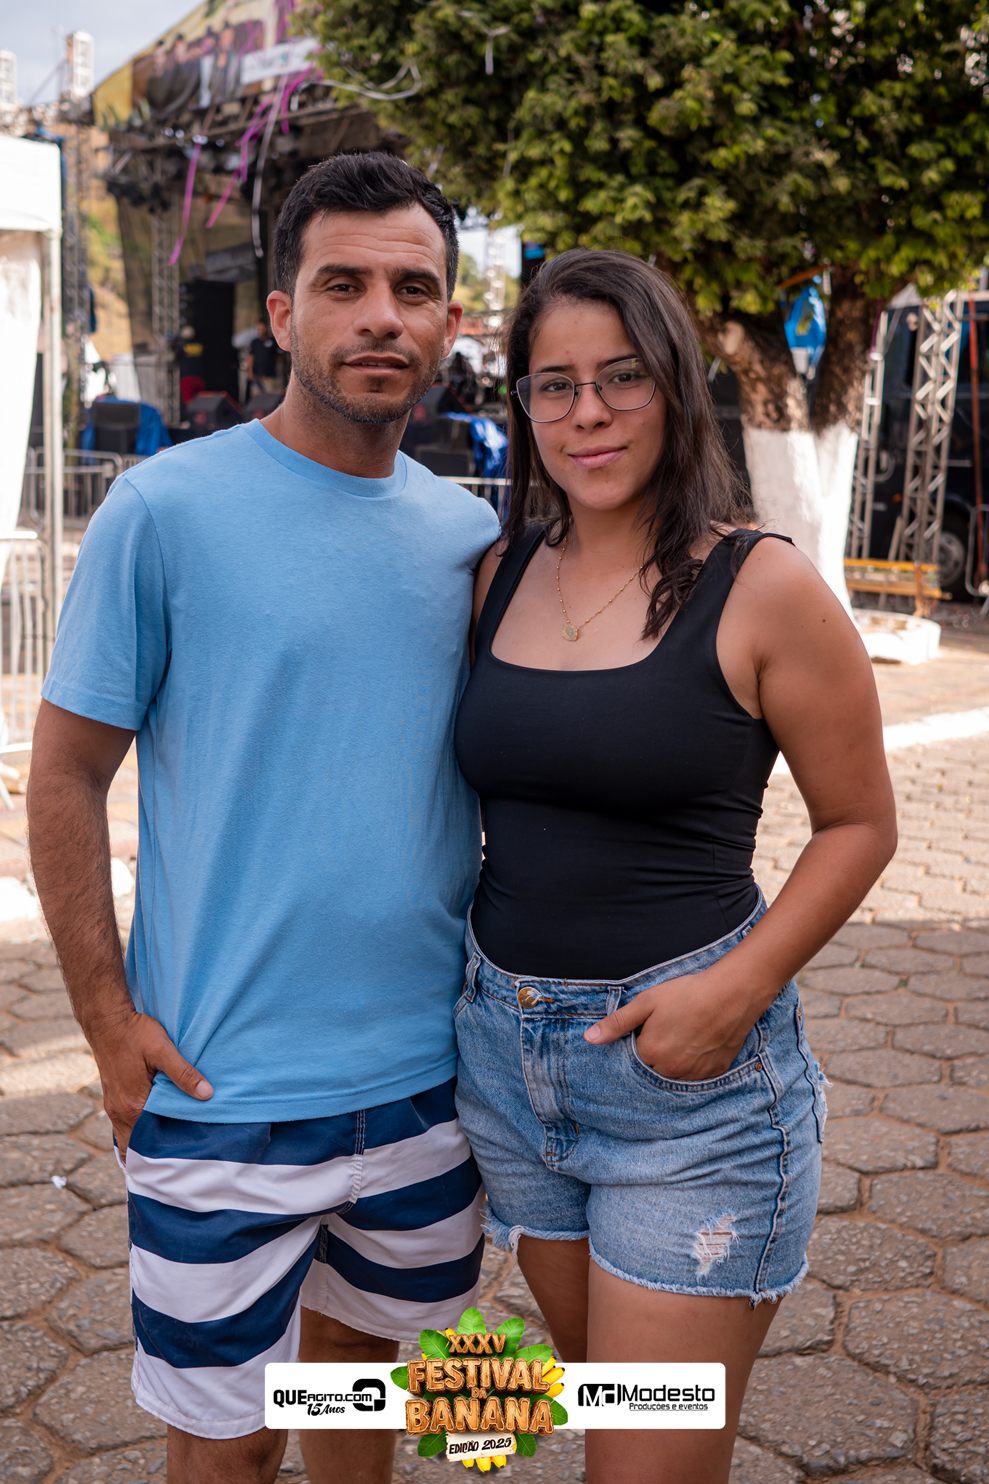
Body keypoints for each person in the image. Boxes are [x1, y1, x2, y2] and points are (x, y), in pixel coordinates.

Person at [27, 152, 499, 1484]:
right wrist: (105, 1026)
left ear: (448, 321)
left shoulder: (470, 541)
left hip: (428, 1089)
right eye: (342, 284)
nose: (381, 317)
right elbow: (64, 775)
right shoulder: (164, 510)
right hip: (217, 1090)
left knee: (359, 1405)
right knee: (225, 1448)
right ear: (282, 313)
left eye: (413, 288)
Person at [453, 248, 897, 1484]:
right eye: (552, 384)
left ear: (675, 385)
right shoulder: (498, 572)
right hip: (504, 1069)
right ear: (522, 403)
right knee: (614, 1410)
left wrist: (736, 990)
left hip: (686, 1091)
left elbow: (859, 822)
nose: (585, 413)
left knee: (642, 1466)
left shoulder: (761, 585)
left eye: (621, 376)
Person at [247, 316, 279, 395]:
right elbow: (250, 357)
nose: (260, 330)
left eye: (262, 328)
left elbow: (279, 357)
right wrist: (249, 372)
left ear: (266, 328)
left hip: (269, 376)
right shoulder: (254, 342)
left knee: (270, 396)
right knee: (257, 397)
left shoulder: (273, 341)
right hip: (257, 376)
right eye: (259, 328)